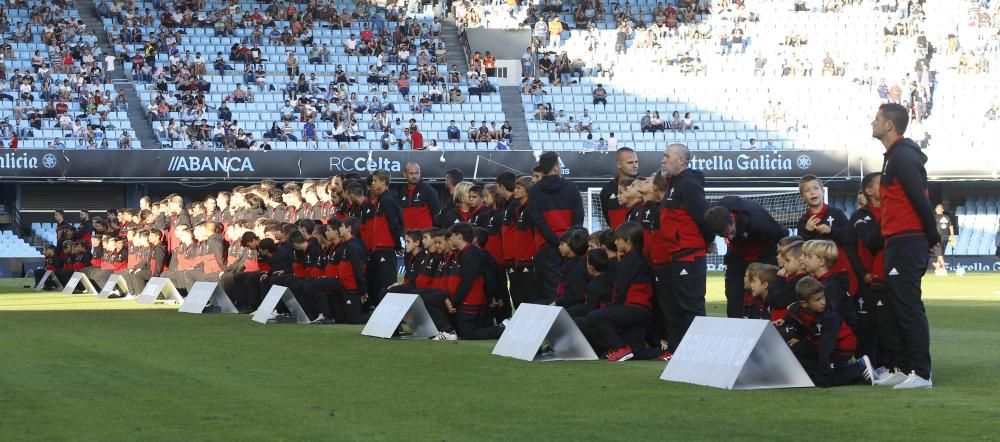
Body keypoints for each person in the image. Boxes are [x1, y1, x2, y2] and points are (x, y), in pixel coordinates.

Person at [870, 102, 938, 388]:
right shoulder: (893, 157)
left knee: (908, 306)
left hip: (908, 240)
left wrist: (932, 237)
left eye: (876, 118)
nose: (871, 122)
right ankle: (904, 367)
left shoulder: (904, 157)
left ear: (889, 125)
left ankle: (922, 373)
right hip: (896, 240)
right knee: (896, 306)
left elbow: (920, 198)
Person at [845, 173, 904, 380]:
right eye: (882, 184)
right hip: (869, 280)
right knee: (869, 326)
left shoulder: (891, 211)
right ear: (869, 190)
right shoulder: (861, 216)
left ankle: (892, 367)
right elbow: (854, 248)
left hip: (892, 278)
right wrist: (863, 274)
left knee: (891, 325)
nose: (888, 186)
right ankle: (868, 367)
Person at [581, 222, 665, 361]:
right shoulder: (641, 259)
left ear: (628, 241)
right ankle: (664, 353)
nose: (615, 242)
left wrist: (613, 307)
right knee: (636, 350)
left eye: (618, 239)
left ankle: (619, 348)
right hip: (644, 310)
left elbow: (620, 289)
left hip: (633, 308)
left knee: (595, 317)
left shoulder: (628, 261)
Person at [658, 144, 713, 352]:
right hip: (678, 253)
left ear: (682, 160)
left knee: (691, 306)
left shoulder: (688, 183)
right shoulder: (674, 184)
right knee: (680, 307)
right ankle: (682, 350)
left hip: (689, 253)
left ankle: (701, 351)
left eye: (667, 156)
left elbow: (703, 216)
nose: (663, 160)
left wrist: (707, 240)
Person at [776, 277, 875, 388]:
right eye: (818, 300)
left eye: (823, 297)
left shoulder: (830, 316)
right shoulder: (795, 310)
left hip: (841, 348)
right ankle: (837, 370)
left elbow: (826, 348)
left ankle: (858, 368)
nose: (823, 302)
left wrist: (822, 378)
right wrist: (798, 335)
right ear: (804, 304)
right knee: (795, 352)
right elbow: (796, 319)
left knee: (822, 380)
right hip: (818, 343)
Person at [705, 196, 788, 318]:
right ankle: (734, 327)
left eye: (731, 232)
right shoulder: (712, 216)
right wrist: (708, 241)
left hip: (765, 252)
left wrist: (784, 265)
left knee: (769, 288)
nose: (730, 238)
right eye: (724, 236)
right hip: (737, 253)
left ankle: (772, 320)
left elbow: (783, 237)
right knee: (733, 291)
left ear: (732, 220)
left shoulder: (760, 221)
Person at [528, 152, 584, 304]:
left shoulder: (534, 191)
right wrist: (570, 241)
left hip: (547, 247)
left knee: (552, 294)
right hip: (572, 247)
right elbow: (579, 217)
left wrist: (556, 240)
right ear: (556, 167)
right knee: (573, 289)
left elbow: (538, 220)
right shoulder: (572, 187)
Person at [796, 174, 853, 293]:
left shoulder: (837, 213)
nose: (812, 192)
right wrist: (807, 232)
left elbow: (850, 238)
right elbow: (802, 249)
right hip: (816, 274)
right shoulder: (803, 221)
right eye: (807, 190)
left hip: (840, 269)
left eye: (815, 188)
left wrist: (831, 231)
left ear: (822, 191)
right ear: (802, 197)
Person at [363, 170, 404, 310]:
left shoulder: (387, 199)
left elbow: (394, 223)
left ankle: (394, 315)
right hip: (380, 247)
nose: (373, 183)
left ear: (384, 182)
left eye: (375, 180)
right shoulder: (383, 199)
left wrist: (398, 244)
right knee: (381, 283)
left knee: (388, 284)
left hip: (386, 247)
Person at [599, 147, 638, 230]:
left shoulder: (644, 186)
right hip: (616, 240)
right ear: (618, 164)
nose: (635, 165)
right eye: (630, 162)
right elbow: (608, 219)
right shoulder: (607, 190)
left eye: (636, 162)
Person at [398, 162, 441, 231]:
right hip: (408, 238)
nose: (414, 176)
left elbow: (437, 213)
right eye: (411, 173)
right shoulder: (402, 192)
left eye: (417, 173)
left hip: (425, 237)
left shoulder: (428, 189)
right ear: (405, 174)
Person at [932, 204, 954, 275]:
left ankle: (944, 269)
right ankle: (938, 266)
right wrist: (952, 237)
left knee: (939, 253)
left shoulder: (934, 218)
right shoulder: (947, 217)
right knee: (940, 253)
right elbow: (951, 228)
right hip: (946, 237)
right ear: (943, 210)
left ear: (935, 210)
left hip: (938, 237)